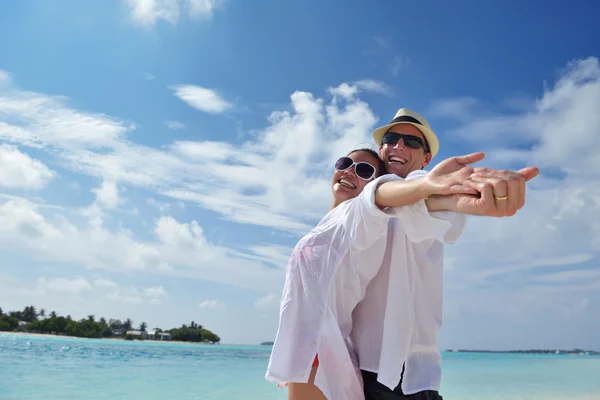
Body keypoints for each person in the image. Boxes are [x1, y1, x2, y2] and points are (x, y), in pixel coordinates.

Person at [265, 146, 502, 400]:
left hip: (321, 352)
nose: (349, 172)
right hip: (311, 350)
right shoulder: (329, 223)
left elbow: (385, 198)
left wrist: (438, 191)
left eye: (364, 171)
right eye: (344, 163)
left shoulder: (364, 218)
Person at [349, 108, 540, 400]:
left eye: (412, 143)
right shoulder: (362, 200)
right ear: (381, 148)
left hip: (414, 368)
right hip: (361, 364)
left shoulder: (420, 185)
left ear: (426, 159)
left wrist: (455, 197)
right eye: (392, 138)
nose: (400, 146)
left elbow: (426, 203)